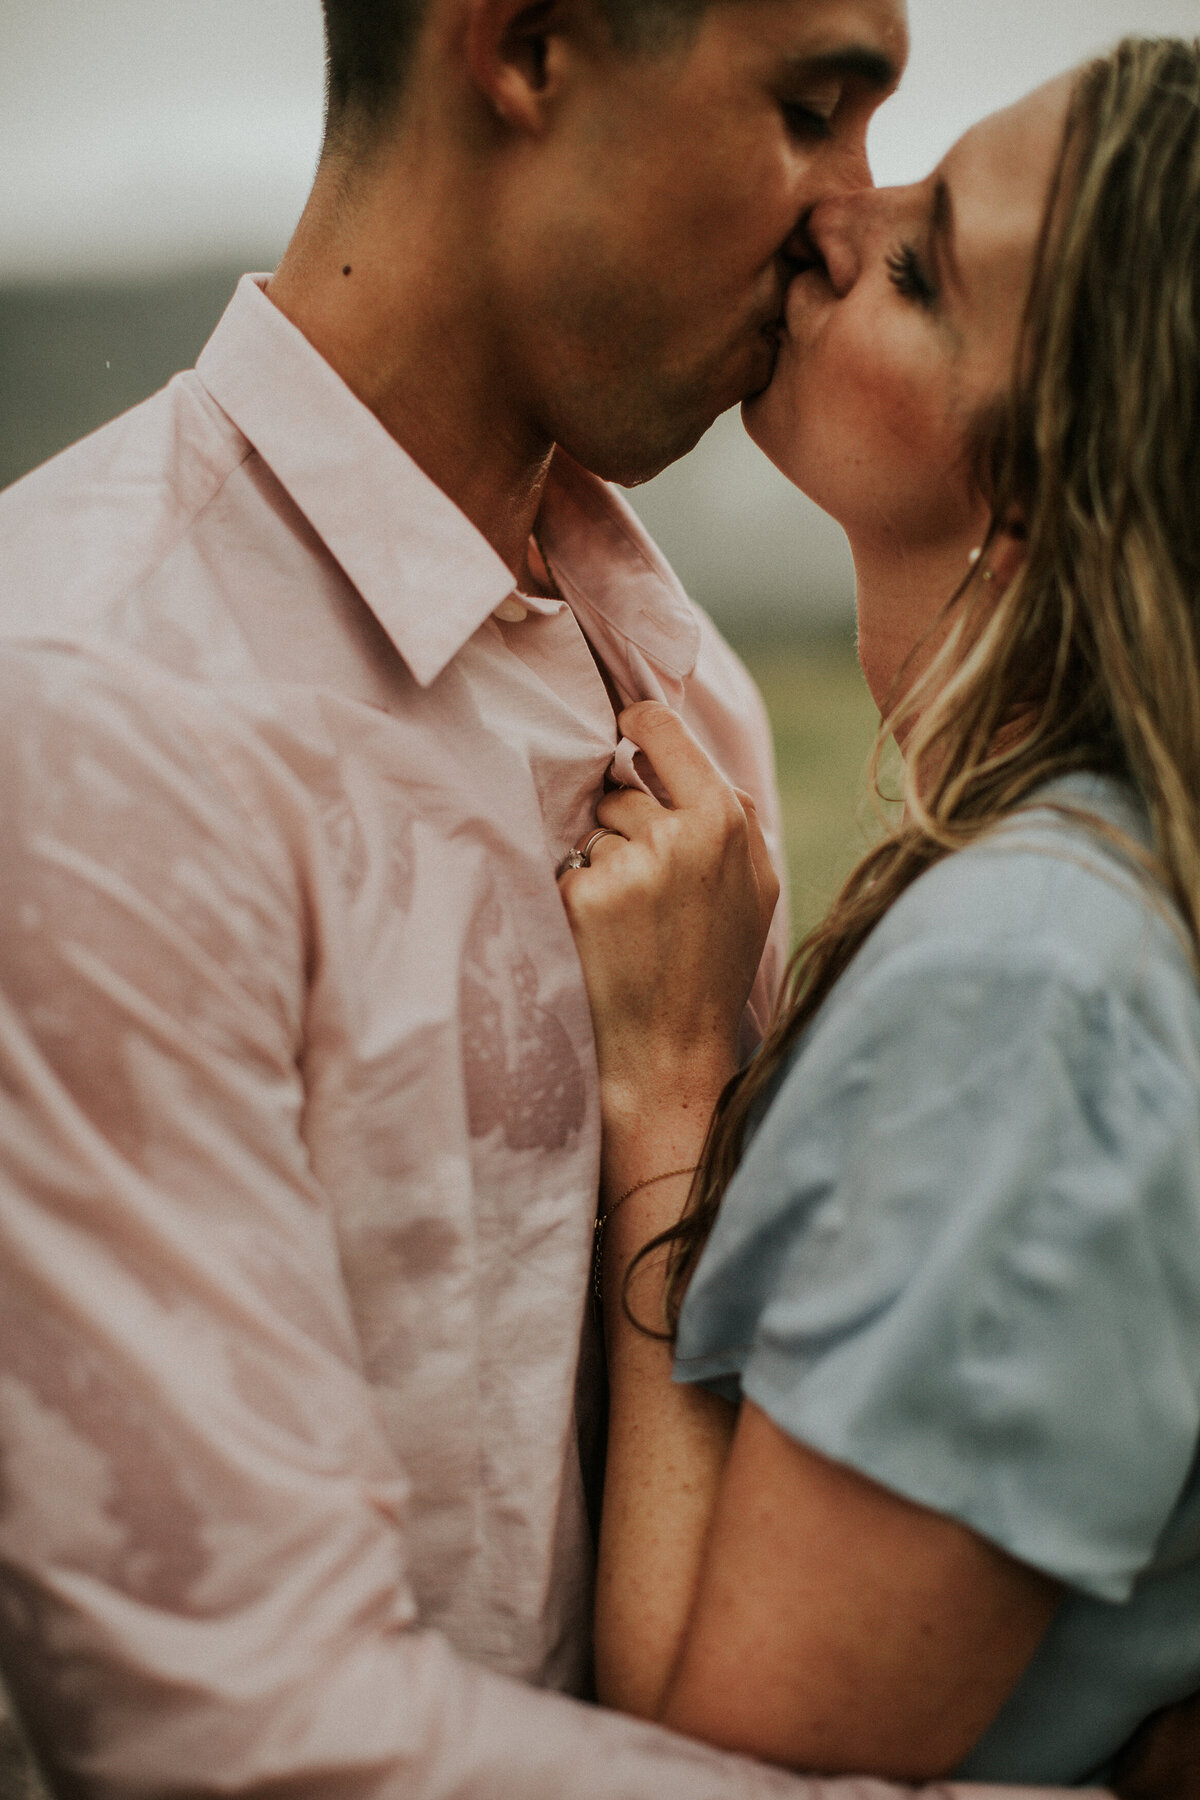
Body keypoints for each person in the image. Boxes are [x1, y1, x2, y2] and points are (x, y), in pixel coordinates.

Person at [0, 0, 1027, 1794]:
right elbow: (246, 1730)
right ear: (530, 46)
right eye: (810, 106)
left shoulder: (680, 685)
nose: (842, 215)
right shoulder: (84, 711)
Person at [561, 32, 1200, 1791]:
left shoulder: (1036, 988)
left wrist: (676, 1089)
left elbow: (732, 1764)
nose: (840, 215)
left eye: (925, 270)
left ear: (1048, 503)